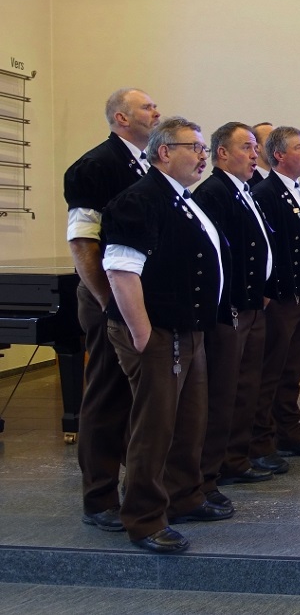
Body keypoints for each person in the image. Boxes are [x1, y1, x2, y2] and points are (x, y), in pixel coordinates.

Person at [102, 116, 232, 552]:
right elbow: (121, 272)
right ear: (164, 152)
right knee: (154, 428)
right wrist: (143, 336)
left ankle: (182, 497)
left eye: (203, 148)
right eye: (194, 147)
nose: (203, 156)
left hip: (187, 329)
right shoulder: (139, 199)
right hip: (157, 332)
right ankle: (143, 518)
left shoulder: (181, 198)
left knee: (189, 421)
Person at [65, 88, 160, 533]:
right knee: (106, 396)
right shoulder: (96, 166)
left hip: (137, 298)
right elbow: (83, 242)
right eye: (147, 107)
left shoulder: (145, 163)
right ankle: (99, 496)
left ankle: (135, 484)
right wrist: (108, 303)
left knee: (137, 398)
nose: (156, 112)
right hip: (109, 298)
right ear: (121, 118)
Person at [192, 123, 275, 496]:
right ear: (222, 153)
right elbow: (214, 256)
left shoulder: (244, 190)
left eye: (255, 148)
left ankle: (236, 458)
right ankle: (212, 469)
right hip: (232, 307)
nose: (255, 154)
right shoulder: (213, 192)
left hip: (253, 303)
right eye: (246, 147)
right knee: (224, 391)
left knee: (246, 386)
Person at [251, 126, 300, 461]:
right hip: (283, 296)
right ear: (279, 155)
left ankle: (288, 432)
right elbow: (264, 247)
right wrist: (269, 291)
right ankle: (261, 442)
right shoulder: (265, 193)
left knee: (293, 370)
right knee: (272, 371)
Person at [247, 122, 274, 187]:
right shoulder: (247, 181)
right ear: (257, 147)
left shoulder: (283, 179)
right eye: (272, 140)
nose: (279, 145)